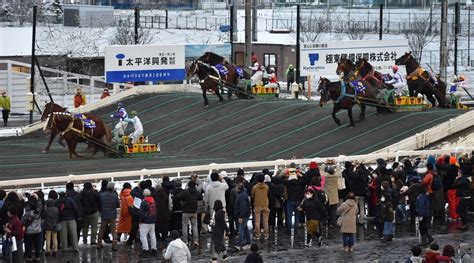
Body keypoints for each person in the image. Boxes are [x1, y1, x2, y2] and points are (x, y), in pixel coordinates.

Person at [175, 181, 202, 247]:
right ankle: (196, 240)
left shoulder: (185, 192)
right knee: (195, 225)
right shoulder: (196, 192)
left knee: (184, 226)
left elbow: (177, 197)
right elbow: (200, 197)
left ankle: (185, 241)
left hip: (186, 211)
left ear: (188, 185)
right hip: (194, 211)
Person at [97, 182, 120, 250]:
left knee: (101, 230)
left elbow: (100, 204)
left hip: (104, 214)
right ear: (113, 188)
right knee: (113, 230)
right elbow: (118, 205)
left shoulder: (102, 195)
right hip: (112, 215)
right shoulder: (115, 195)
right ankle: (114, 245)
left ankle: (99, 244)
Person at [22, 193, 43, 261]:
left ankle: (29, 257)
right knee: (37, 245)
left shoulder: (27, 213)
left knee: (28, 245)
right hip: (37, 230)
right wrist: (37, 198)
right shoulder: (38, 211)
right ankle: (37, 257)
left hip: (28, 231)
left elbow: (23, 221)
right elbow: (40, 205)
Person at [139, 189, 158, 257]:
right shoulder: (153, 201)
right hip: (153, 221)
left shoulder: (144, 202)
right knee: (152, 235)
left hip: (145, 222)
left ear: (144, 194)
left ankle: (145, 250)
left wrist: (141, 221)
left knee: (143, 236)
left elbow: (141, 213)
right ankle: (154, 249)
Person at [234, 178, 251, 251]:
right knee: (245, 229)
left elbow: (243, 207)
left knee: (241, 230)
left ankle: (239, 244)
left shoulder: (241, 196)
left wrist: (240, 216)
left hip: (242, 215)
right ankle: (248, 242)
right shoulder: (244, 194)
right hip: (245, 214)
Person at [251, 173, 270, 240]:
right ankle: (266, 235)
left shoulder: (255, 187)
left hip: (257, 205)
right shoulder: (266, 187)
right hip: (265, 204)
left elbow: (252, 195)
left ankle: (257, 235)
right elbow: (267, 193)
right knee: (265, 221)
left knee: (257, 221)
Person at [455, 166, 471, 231]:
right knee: (463, 210)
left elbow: (456, 184)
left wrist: (457, 178)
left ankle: (465, 223)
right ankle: (464, 223)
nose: (458, 173)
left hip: (464, 196)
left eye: (459, 172)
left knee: (460, 210)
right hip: (465, 196)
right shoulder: (465, 179)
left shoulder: (463, 179)